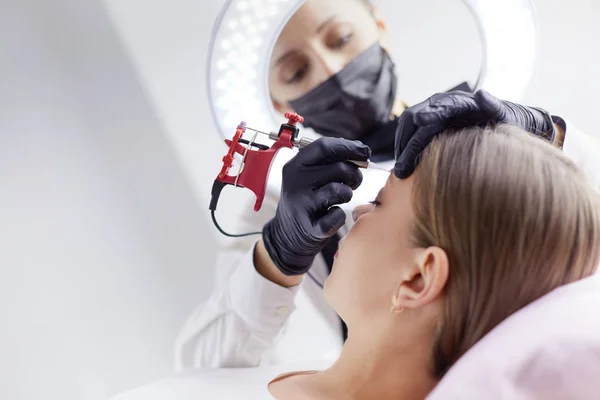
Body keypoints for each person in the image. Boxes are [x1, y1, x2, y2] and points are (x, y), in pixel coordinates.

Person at [176, 0, 600, 369]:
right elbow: (203, 368)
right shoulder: (284, 205)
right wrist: (277, 254)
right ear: (277, 102)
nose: (333, 71)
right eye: (296, 70)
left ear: (378, 25)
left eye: (340, 38)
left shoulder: (488, 135)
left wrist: (550, 136)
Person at [115, 124, 600, 399]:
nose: (358, 211)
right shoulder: (303, 371)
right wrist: (277, 255)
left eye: (382, 202)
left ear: (418, 277)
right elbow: (197, 372)